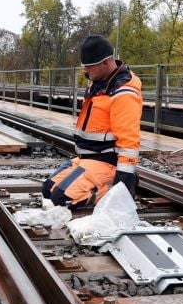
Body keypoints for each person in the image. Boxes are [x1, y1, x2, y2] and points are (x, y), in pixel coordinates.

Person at [43, 35, 142, 207]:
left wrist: (124, 180)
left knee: (60, 199)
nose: (85, 71)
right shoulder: (99, 82)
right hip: (86, 158)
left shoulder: (123, 93)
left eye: (89, 66)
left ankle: (114, 188)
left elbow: (129, 142)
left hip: (106, 161)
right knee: (48, 189)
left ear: (106, 63)